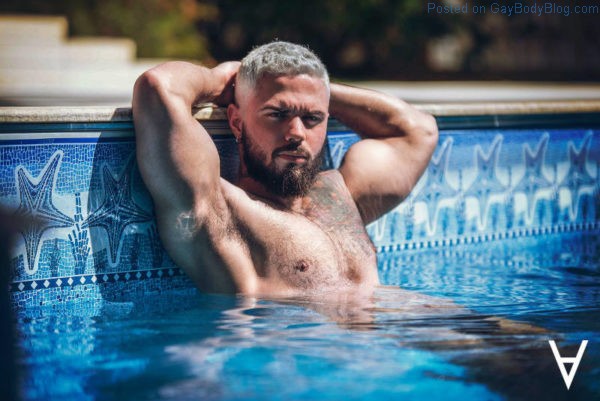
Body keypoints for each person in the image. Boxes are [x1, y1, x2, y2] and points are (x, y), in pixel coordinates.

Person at [132, 41, 438, 296]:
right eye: (277, 113)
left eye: (312, 119)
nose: (296, 133)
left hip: (391, 347)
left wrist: (317, 90)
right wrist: (229, 77)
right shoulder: (221, 213)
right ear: (237, 122)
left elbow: (418, 131)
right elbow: (158, 87)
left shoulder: (341, 196)